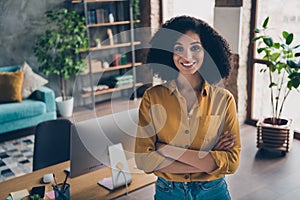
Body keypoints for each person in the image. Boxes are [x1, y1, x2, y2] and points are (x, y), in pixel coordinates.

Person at [134, 16, 241, 200]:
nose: (187, 56)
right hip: (168, 191)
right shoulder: (152, 98)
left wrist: (167, 150)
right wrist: (207, 161)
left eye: (195, 48)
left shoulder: (224, 100)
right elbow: (144, 160)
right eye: (178, 48)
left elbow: (232, 162)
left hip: (213, 191)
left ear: (207, 51)